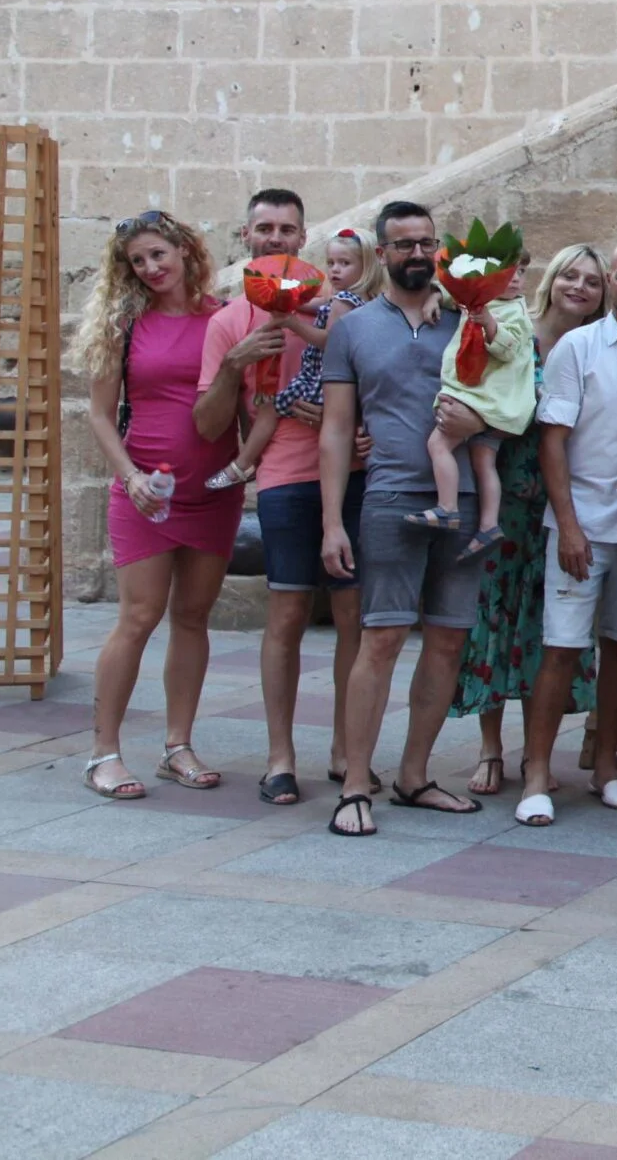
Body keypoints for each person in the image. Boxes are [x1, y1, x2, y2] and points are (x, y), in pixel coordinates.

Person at [318, 201, 487, 836]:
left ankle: (414, 776)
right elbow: (336, 431)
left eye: (426, 244)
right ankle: (356, 782)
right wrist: (333, 521)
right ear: (381, 254)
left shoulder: (468, 319)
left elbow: (508, 401)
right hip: (390, 496)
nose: (416, 254)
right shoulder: (353, 328)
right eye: (403, 245)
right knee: (381, 638)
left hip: (465, 499)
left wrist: (481, 423)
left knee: (446, 640)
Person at [193, 193, 367, 806]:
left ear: (302, 239)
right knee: (288, 615)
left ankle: (348, 748)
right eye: (264, 228)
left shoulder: (336, 308)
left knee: (353, 617)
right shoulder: (227, 321)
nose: (275, 238)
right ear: (247, 236)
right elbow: (209, 424)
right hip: (285, 477)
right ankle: (280, 756)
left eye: (287, 229)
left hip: (351, 475)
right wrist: (231, 367)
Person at [79, 210, 243, 800]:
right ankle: (104, 752)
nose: (150, 268)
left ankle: (178, 746)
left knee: (193, 618)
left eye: (157, 255)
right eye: (138, 261)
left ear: (184, 250)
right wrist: (130, 476)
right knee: (138, 617)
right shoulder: (125, 323)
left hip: (213, 493)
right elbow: (100, 414)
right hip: (144, 492)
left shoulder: (224, 316)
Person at [508, 241, 617, 828]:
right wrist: (568, 525)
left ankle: (605, 768)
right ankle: (538, 773)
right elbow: (552, 441)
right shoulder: (579, 346)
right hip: (581, 526)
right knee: (562, 649)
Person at [452, 244, 608, 798]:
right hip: (508, 499)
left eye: (592, 280)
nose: (579, 286)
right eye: (570, 274)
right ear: (552, 279)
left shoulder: (598, 348)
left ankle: (534, 752)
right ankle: (492, 747)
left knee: (546, 629)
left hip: (567, 501)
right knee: (493, 618)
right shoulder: (518, 331)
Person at [207, 227, 374, 492]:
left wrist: (291, 323)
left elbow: (328, 341)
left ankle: (242, 465)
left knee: (270, 408)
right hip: (335, 380)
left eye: (345, 263)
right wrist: (286, 299)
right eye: (331, 263)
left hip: (318, 379)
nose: (335, 270)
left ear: (366, 267)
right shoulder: (352, 299)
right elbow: (312, 303)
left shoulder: (344, 301)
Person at [409, 251, 535, 561]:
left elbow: (509, 347)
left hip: (485, 399)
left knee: (438, 443)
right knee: (484, 460)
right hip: (490, 402)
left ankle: (447, 507)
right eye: (506, 273)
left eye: (520, 272)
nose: (515, 278)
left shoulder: (515, 310)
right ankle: (489, 525)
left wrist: (490, 322)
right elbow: (455, 297)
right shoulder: (479, 300)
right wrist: (435, 297)